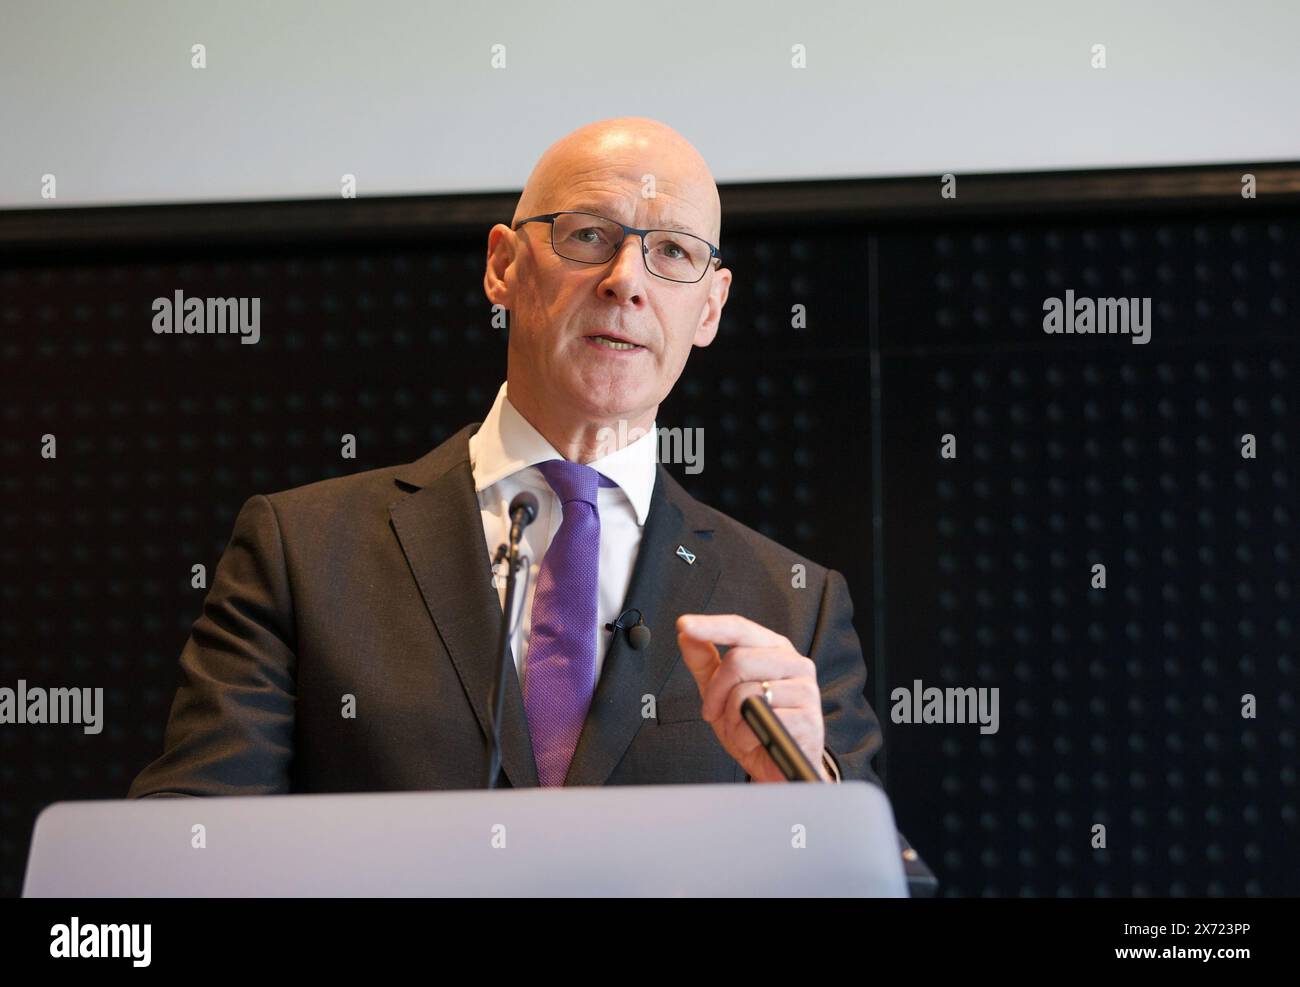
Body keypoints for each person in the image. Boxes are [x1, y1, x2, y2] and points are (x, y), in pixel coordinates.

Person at [128, 116, 884, 797]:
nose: (626, 282)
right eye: (589, 235)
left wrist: (805, 789)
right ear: (503, 266)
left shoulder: (793, 606)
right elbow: (189, 844)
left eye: (673, 253)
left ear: (709, 308)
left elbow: (876, 880)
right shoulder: (302, 552)